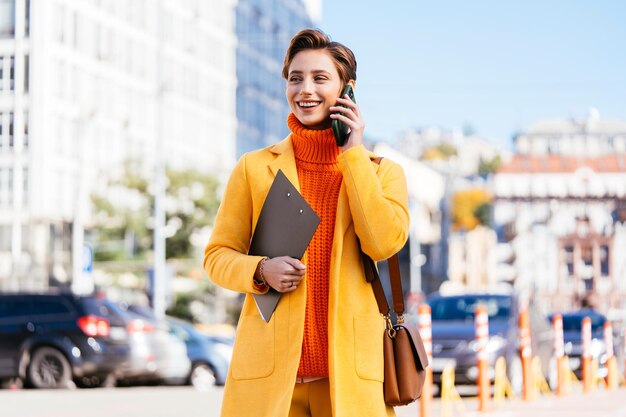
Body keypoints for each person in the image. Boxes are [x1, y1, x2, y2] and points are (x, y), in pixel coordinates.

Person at [204, 28, 409, 417]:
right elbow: (216, 256)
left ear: (347, 90)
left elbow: (384, 243)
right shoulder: (254, 168)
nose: (305, 89)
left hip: (347, 383)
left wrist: (352, 155)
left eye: (320, 78)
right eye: (295, 78)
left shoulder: (381, 173)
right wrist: (260, 269)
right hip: (272, 383)